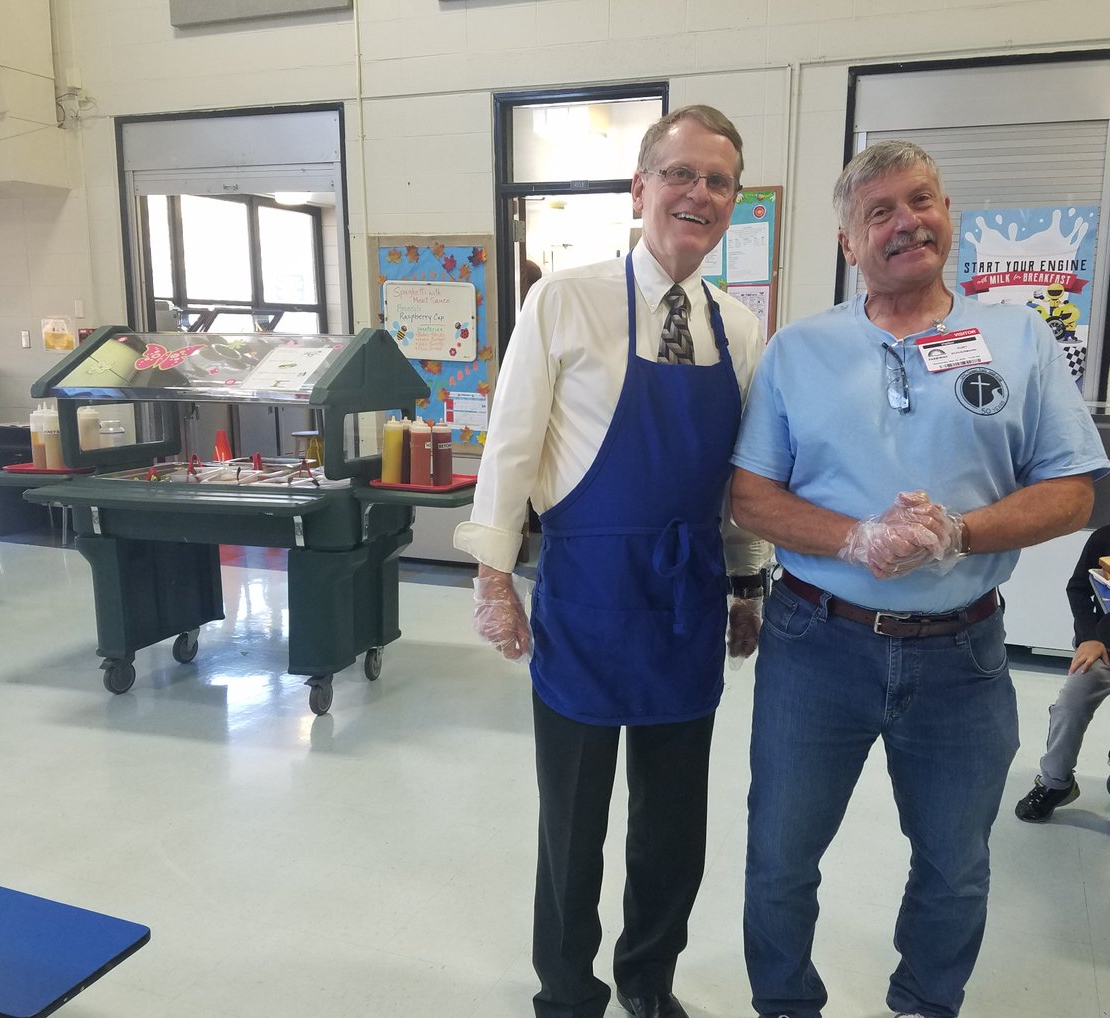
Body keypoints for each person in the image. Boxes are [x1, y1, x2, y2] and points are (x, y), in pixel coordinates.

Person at [729, 139, 1109, 1018]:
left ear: (948, 213)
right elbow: (751, 495)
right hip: (815, 644)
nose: (909, 222)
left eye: (923, 200)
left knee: (955, 865)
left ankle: (923, 1006)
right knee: (781, 857)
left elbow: (1074, 489)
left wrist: (960, 533)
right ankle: (785, 1006)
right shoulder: (799, 350)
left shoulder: (1018, 337)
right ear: (848, 242)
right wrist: (857, 537)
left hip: (963, 655)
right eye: (881, 212)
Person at [454, 104, 770, 1018]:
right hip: (586, 599)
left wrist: (745, 582)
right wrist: (493, 579)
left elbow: (740, 481)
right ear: (641, 189)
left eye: (717, 181)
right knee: (574, 824)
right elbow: (511, 448)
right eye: (680, 174)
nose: (697, 194)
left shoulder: (739, 329)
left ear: (732, 203)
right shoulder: (564, 298)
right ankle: (565, 989)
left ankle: (649, 982)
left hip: (685, 602)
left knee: (673, 829)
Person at [1014, 524, 1110, 822]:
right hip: (1104, 644)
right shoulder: (1104, 537)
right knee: (1072, 701)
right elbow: (1079, 588)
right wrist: (1088, 637)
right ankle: (1055, 783)